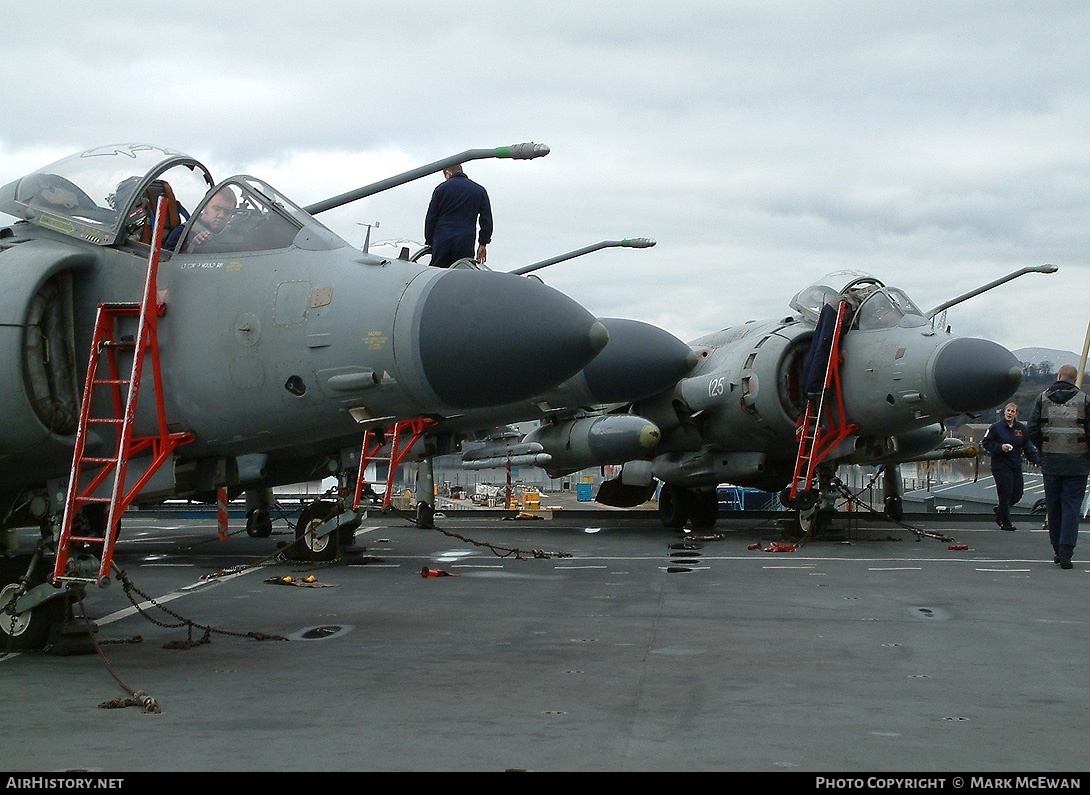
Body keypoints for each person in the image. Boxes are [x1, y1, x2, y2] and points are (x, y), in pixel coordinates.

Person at [1026, 364, 1090, 569]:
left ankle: (1056, 548)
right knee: (1071, 506)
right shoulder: (1084, 400)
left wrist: (1043, 448)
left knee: (1053, 506)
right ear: (1075, 378)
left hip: (1051, 461)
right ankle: (1066, 551)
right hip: (1077, 462)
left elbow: (1033, 429)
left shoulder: (1042, 399)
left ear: (1059, 376)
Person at [981, 402, 1040, 531]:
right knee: (1005, 493)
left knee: (1018, 493)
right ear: (1004, 412)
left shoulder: (1021, 429)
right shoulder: (996, 427)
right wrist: (1000, 447)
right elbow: (986, 442)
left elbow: (1027, 446)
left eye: (1012, 411)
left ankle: (1000, 510)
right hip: (1001, 465)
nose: (1009, 413)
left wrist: (1035, 460)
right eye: (1008, 410)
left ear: (1016, 414)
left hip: (1015, 464)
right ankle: (1005, 522)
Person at [423, 164, 492, 268]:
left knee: (438, 273)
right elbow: (486, 220)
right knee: (462, 274)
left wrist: (429, 241)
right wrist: (483, 243)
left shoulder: (440, 189)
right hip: (465, 240)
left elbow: (431, 218)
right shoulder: (479, 190)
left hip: (442, 239)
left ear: (447, 173)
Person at [164, 187, 237, 252]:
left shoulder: (234, 235)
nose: (221, 215)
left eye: (227, 211)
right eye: (216, 209)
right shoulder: (183, 232)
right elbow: (165, 262)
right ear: (204, 206)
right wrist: (193, 247)